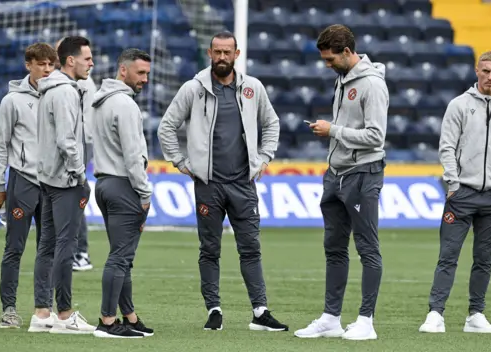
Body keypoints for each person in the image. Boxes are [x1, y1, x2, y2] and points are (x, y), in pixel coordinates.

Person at [157, 31, 288, 332]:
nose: (222, 57)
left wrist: (265, 157)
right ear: (209, 53)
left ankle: (260, 310)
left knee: (251, 249)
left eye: (227, 52)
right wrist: (181, 162)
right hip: (209, 184)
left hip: (243, 183)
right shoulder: (193, 89)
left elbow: (272, 123)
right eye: (217, 52)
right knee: (209, 250)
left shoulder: (252, 88)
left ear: (236, 54)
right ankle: (214, 309)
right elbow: (167, 126)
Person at [294, 24, 388, 341]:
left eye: (330, 58)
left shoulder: (372, 85)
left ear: (347, 52)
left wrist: (333, 130)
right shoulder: (342, 79)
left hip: (363, 173)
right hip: (335, 175)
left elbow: (376, 136)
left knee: (367, 248)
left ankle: (366, 320)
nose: (327, 64)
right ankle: (331, 318)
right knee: (333, 248)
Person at [419, 51, 491, 334]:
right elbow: (447, 146)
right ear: (477, 71)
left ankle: (476, 315)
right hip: (462, 194)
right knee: (448, 256)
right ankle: (435, 314)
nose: (490, 76)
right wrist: (453, 183)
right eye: (486, 70)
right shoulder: (459, 105)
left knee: (484, 260)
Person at [0, 43, 58, 329]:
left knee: (49, 249)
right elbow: (0, 144)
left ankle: (45, 309)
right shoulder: (12, 101)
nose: (46, 69)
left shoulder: (60, 96)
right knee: (14, 248)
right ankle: (9, 309)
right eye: (41, 64)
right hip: (22, 182)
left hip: (53, 183)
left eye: (50, 65)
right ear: (28, 64)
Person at [31, 35, 95, 334]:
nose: (91, 63)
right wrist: (80, 175)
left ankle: (42, 313)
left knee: (46, 247)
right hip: (64, 180)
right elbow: (67, 141)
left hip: (45, 177)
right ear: (71, 60)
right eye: (87, 58)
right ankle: (66, 314)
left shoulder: (47, 89)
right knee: (65, 248)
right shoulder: (67, 92)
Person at [91, 48, 155, 339]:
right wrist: (145, 194)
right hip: (123, 186)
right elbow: (133, 156)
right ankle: (107, 321)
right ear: (123, 70)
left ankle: (128, 316)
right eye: (140, 73)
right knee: (120, 257)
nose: (144, 79)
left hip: (104, 183)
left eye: (147, 74)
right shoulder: (126, 105)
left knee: (123, 256)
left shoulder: (101, 101)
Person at [54, 37, 96, 272]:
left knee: (73, 198)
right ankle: (75, 252)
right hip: (80, 141)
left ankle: (80, 252)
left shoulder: (79, 83)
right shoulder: (77, 82)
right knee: (70, 199)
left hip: (80, 142)